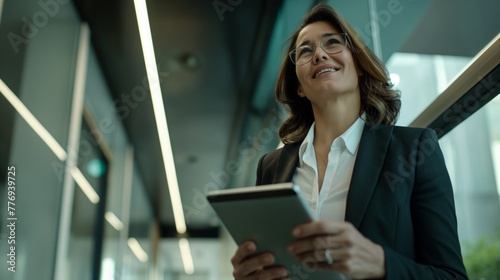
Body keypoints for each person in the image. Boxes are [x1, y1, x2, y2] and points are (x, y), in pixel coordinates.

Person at [230, 3, 468, 280]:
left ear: (359, 67)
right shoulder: (271, 167)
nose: (319, 54)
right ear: (299, 86)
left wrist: (382, 264)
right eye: (305, 51)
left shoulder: (413, 150)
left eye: (332, 43)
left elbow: (451, 276)